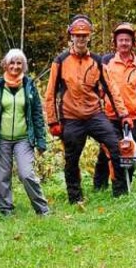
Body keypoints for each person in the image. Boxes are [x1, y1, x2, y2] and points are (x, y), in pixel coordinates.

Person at [44, 14, 129, 203]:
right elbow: (50, 93)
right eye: (77, 35)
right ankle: (75, 197)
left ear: (89, 37)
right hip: (71, 117)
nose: (81, 39)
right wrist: (52, 121)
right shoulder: (61, 61)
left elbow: (111, 89)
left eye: (84, 35)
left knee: (115, 147)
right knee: (72, 158)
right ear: (71, 36)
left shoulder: (97, 61)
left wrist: (123, 114)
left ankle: (120, 192)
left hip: (95, 115)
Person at [0, 49, 50, 215]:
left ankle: (42, 209)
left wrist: (41, 141)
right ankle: (6, 210)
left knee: (26, 174)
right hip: (1, 139)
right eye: (12, 63)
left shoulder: (29, 86)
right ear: (5, 65)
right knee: (2, 176)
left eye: (19, 63)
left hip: (23, 139)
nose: (15, 66)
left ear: (23, 66)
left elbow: (37, 115)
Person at [94, 22, 136, 190]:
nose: (124, 43)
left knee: (130, 152)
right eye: (121, 40)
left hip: (133, 117)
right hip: (110, 115)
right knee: (107, 151)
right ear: (115, 42)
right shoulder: (106, 61)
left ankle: (125, 185)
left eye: (127, 40)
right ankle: (99, 185)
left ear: (133, 42)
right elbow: (98, 88)